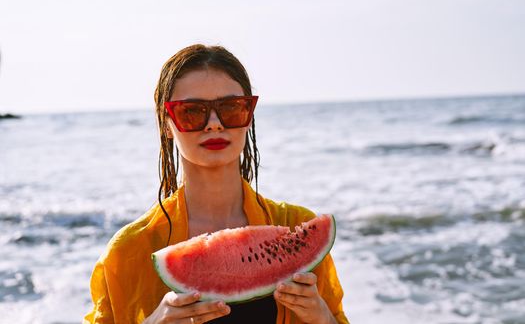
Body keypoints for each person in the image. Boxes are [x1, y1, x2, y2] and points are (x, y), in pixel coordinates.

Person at [84, 44, 349, 324]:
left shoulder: (295, 225)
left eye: (231, 108)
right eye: (192, 112)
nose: (213, 124)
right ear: (166, 123)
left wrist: (324, 319)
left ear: (249, 115)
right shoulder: (129, 251)